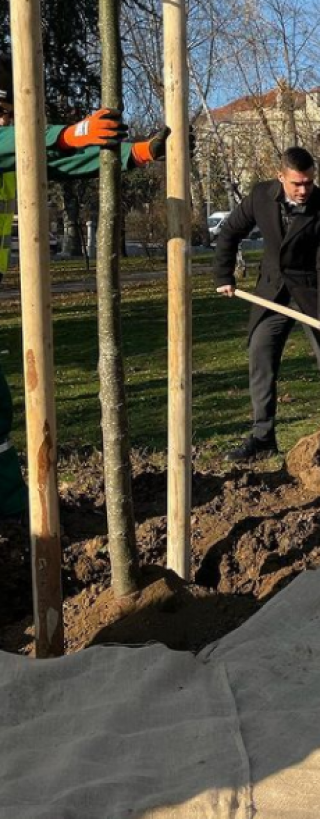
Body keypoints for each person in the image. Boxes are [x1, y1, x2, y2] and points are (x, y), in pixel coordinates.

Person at [0, 55, 169, 519]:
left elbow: (56, 161)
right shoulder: (8, 143)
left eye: (10, 112)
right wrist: (70, 131)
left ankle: (13, 511)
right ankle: (13, 512)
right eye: (2, 112)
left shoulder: (13, 149)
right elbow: (32, 143)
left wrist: (135, 153)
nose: (7, 121)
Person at [215, 145, 320, 460]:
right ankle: (263, 437)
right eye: (297, 184)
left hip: (313, 292)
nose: (304, 190)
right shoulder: (260, 196)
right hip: (272, 291)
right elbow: (229, 232)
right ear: (280, 176)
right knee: (260, 353)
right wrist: (224, 275)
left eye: (309, 182)